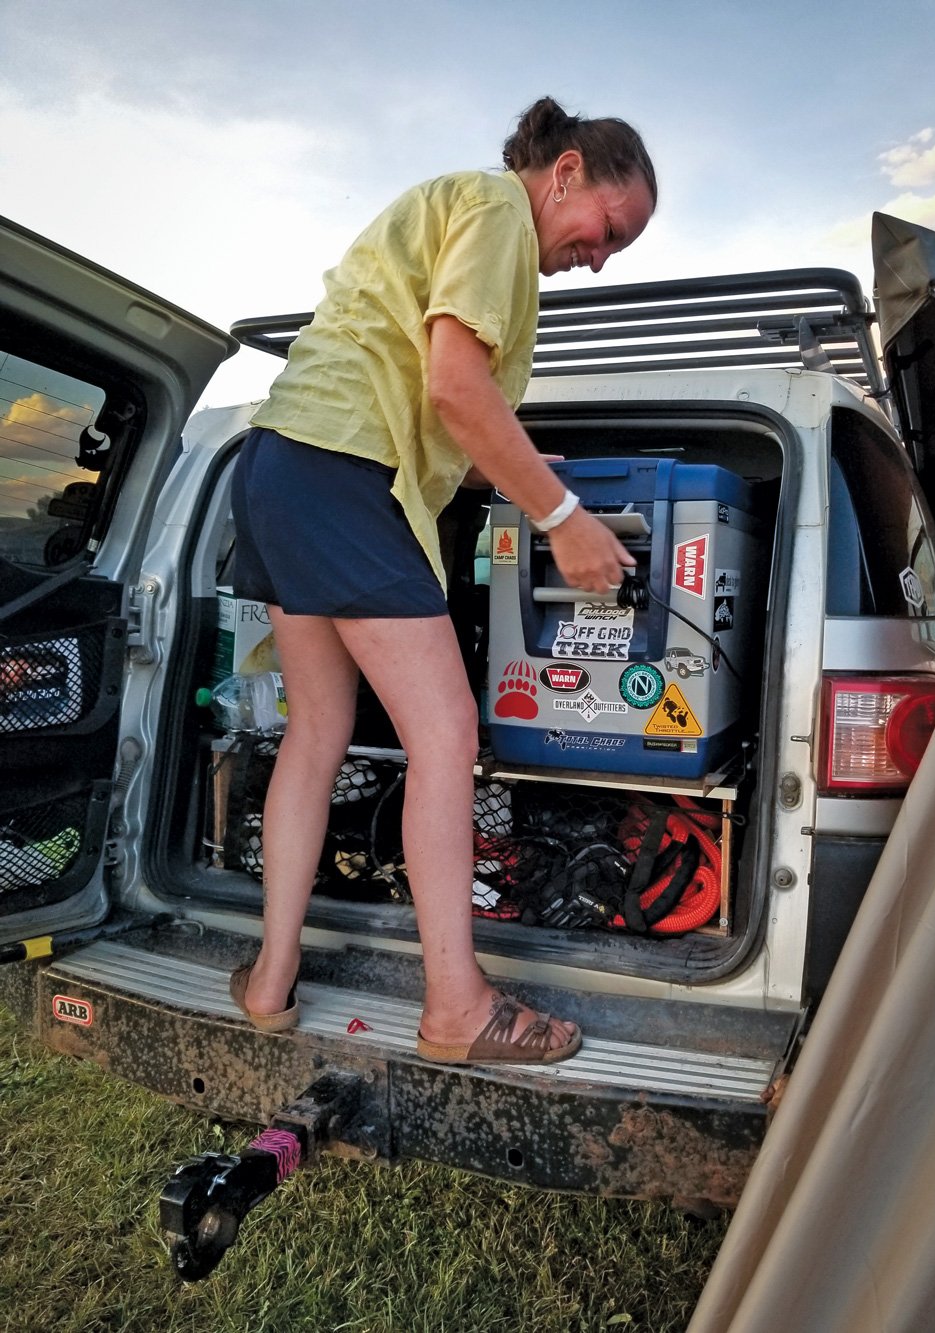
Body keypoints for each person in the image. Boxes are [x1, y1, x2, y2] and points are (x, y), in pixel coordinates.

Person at [228, 96, 657, 1064]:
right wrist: (561, 521)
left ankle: (269, 982)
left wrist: (554, 485)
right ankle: (456, 1008)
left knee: (318, 730)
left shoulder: (455, 211)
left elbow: (460, 439)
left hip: (284, 462)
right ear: (568, 171)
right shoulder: (499, 211)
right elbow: (454, 389)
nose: (600, 254)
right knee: (446, 733)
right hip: (345, 470)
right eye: (607, 231)